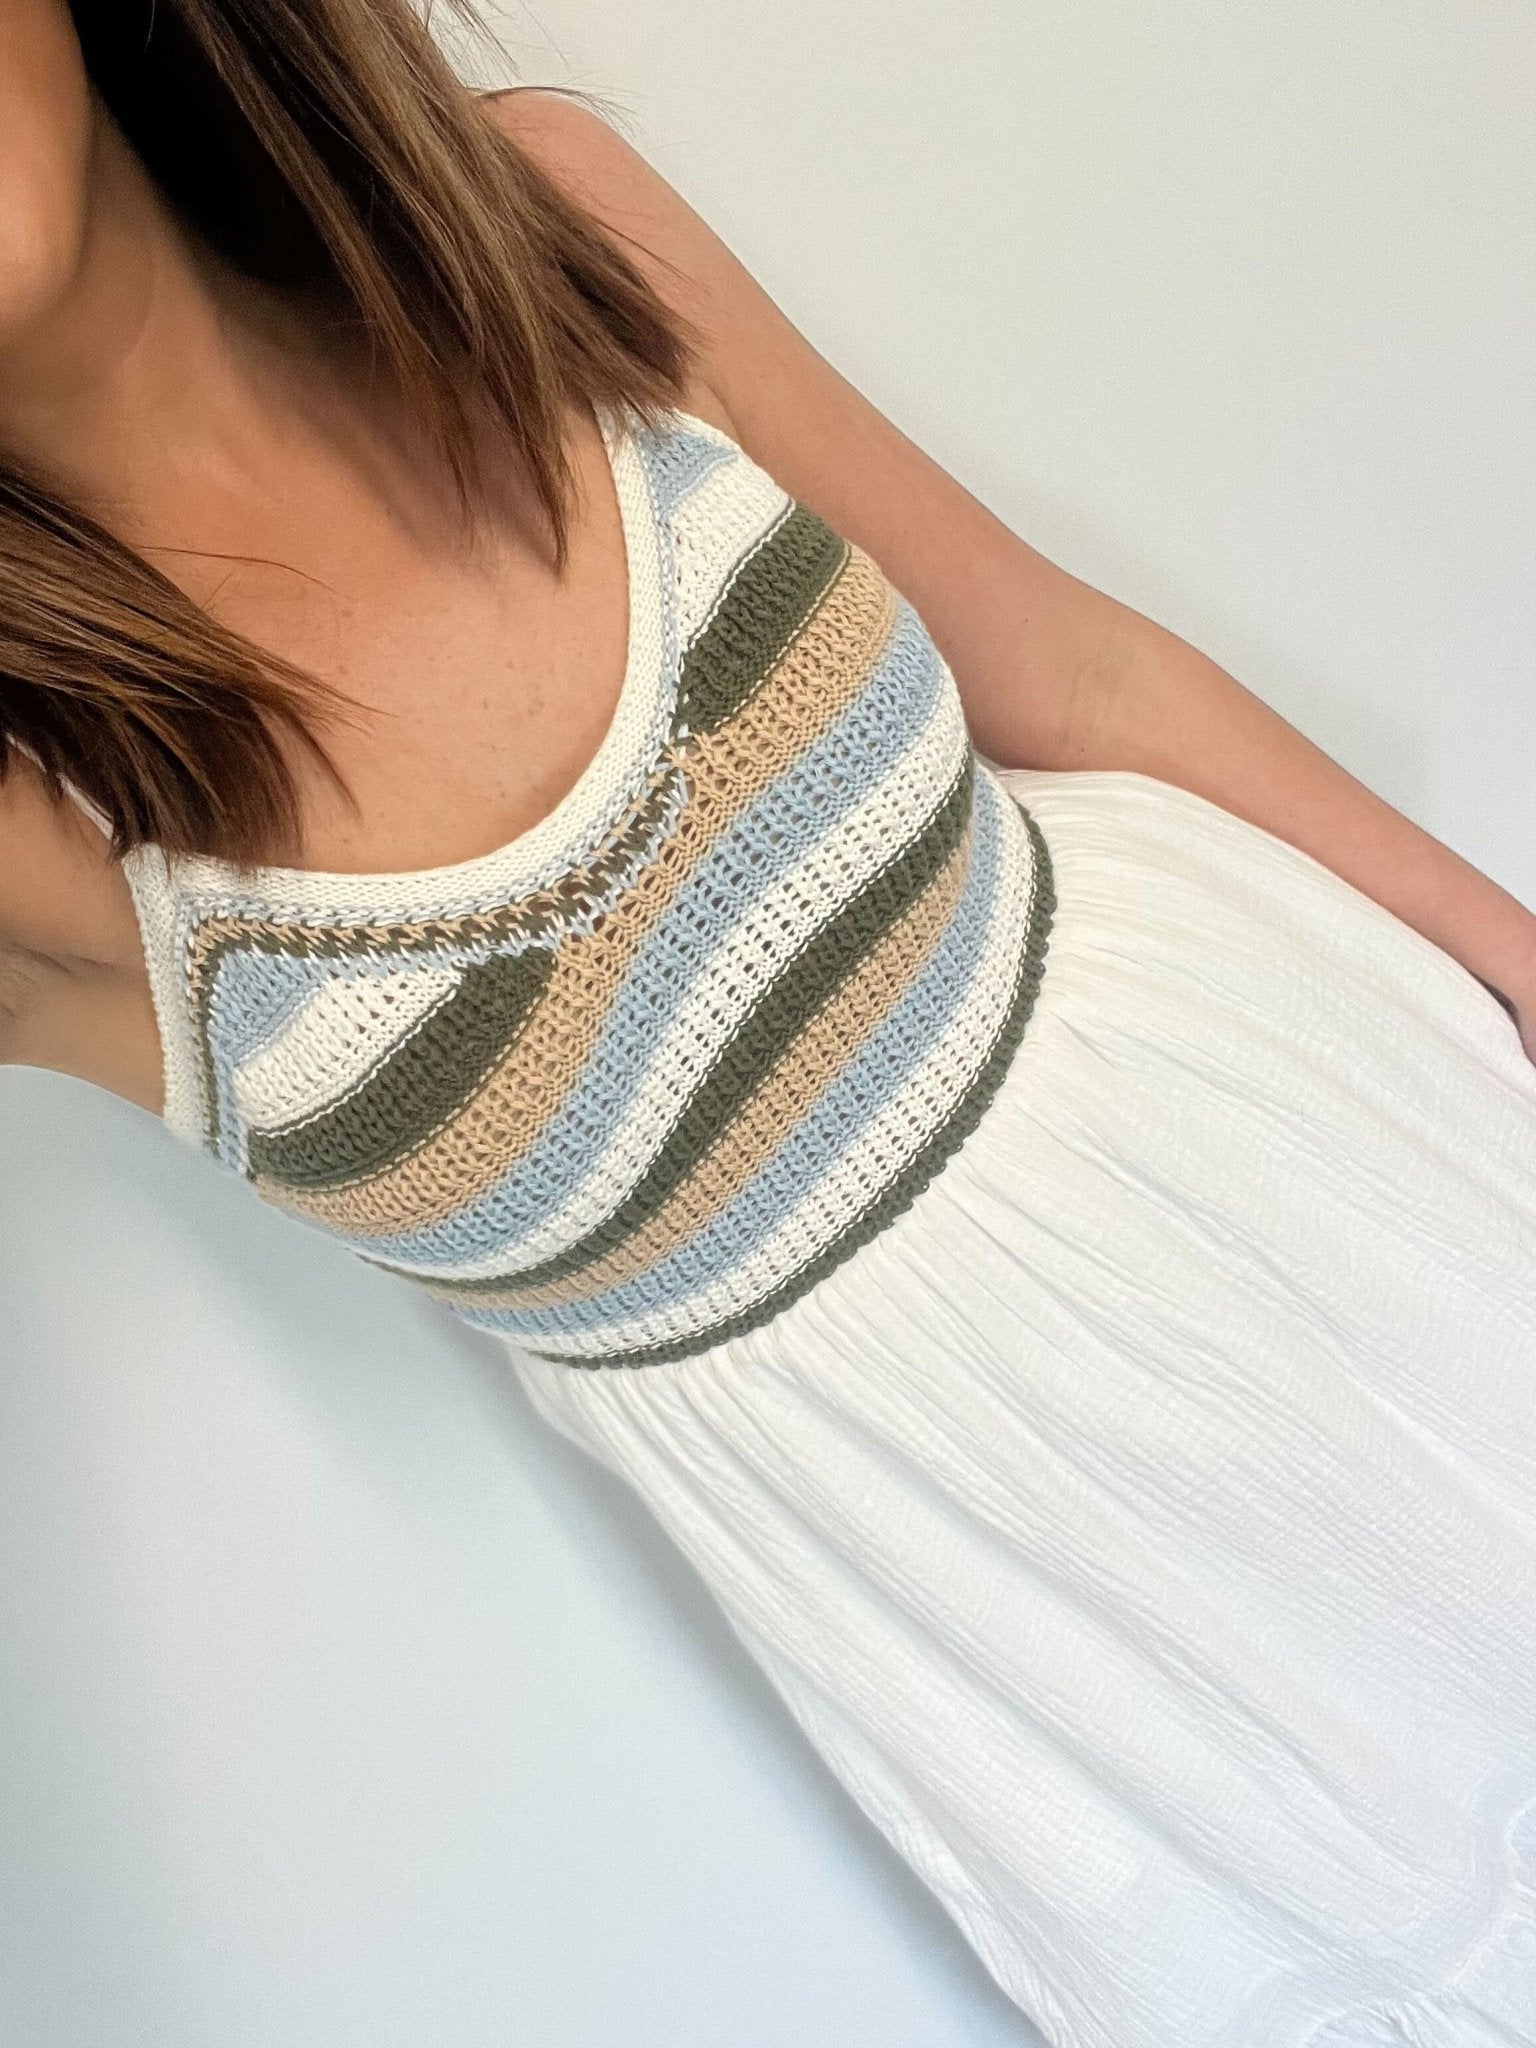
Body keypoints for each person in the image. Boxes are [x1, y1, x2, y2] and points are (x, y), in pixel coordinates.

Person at [3, 4, 1534, 2042]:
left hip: (1365, 1175)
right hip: (1097, 1635)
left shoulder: (534, 218)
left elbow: (1073, 670)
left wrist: (1518, 967)